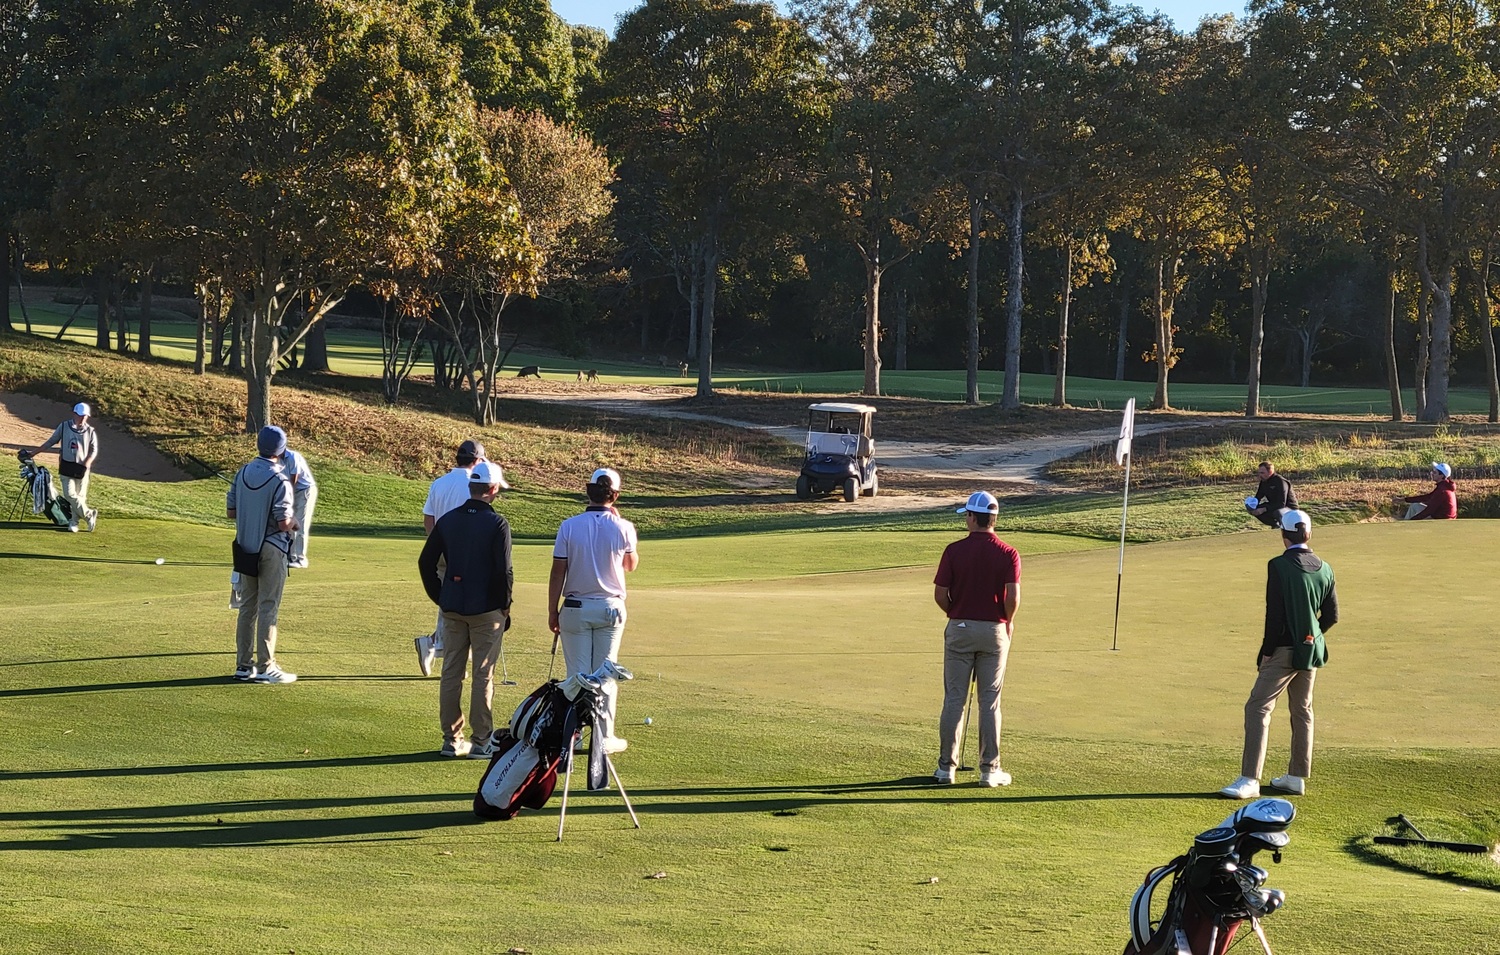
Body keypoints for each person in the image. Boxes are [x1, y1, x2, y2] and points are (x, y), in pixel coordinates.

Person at [1220, 509, 1339, 799]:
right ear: (1308, 533)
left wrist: (1267, 651)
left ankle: (1250, 779)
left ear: (1284, 535)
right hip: (1310, 650)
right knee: (1302, 710)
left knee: (1258, 707)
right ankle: (1296, 777)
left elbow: (1274, 615)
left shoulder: (1278, 566)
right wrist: (1311, 635)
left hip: (1284, 650)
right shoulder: (1325, 568)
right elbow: (1332, 615)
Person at [417, 461, 514, 759]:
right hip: (487, 610)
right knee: (483, 674)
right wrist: (504, 608)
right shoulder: (498, 524)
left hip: (454, 607)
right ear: (493, 490)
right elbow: (504, 573)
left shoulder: (448, 521)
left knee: (451, 672)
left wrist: (441, 597)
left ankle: (451, 739)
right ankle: (482, 740)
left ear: (472, 487)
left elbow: (426, 563)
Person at [931, 491, 1022, 787]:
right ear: (993, 519)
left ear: (972, 517)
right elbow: (1013, 597)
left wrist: (956, 613)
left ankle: (946, 769)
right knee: (990, 702)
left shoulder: (953, 550)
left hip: (959, 629)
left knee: (954, 699)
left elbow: (940, 595)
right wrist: (1007, 623)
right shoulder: (1008, 553)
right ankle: (989, 770)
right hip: (994, 631)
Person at [548, 467, 639, 754]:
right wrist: (620, 523)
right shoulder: (623, 527)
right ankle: (603, 737)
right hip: (610, 608)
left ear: (588, 491)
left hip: (574, 608)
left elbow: (558, 571)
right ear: (616, 495)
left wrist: (553, 611)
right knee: (605, 673)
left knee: (576, 674)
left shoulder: (569, 525)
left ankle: (570, 734)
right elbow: (630, 565)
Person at [415, 440, 508, 675]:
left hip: (441, 548)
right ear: (477, 461)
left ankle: (440, 647)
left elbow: (429, 518)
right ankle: (438, 646)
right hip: (467, 551)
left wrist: (438, 545)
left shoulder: (439, 483)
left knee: (452, 599)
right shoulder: (474, 482)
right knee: (464, 603)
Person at [226, 425, 299, 684]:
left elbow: (231, 512)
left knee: (247, 607)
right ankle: (266, 666)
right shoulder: (281, 479)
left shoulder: (242, 472)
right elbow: (282, 522)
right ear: (280, 450)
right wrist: (295, 523)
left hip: (245, 547)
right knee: (268, 606)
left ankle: (243, 666)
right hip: (271, 548)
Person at [32, 401, 99, 533]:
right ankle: (88, 515)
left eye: (85, 416)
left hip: (82, 468)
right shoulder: (64, 427)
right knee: (69, 495)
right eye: (81, 415)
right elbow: (51, 441)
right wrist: (34, 452)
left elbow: (94, 449)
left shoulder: (90, 431)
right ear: (74, 413)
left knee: (80, 496)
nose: (83, 418)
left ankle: (73, 522)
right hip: (67, 466)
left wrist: (87, 462)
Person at [281, 445, 318, 568]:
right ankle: (291, 556)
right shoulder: (275, 458)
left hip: (304, 490)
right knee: (289, 523)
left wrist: (286, 496)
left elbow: (293, 479)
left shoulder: (292, 457)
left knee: (300, 524)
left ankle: (301, 559)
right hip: (291, 491)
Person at [1244, 461, 1297, 528]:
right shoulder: (1264, 482)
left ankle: (1283, 526)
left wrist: (1264, 509)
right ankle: (1275, 525)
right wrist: (1251, 506)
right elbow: (1258, 497)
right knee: (1254, 510)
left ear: (1270, 472)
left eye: (1262, 473)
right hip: (1274, 506)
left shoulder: (1280, 482)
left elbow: (1281, 504)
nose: (1260, 475)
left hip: (1290, 509)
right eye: (1259, 473)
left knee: (1277, 512)